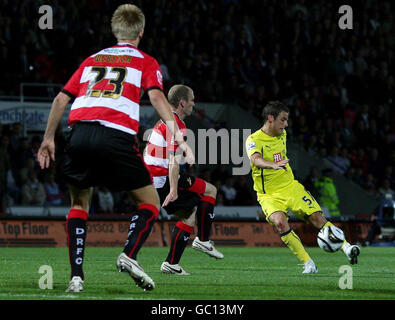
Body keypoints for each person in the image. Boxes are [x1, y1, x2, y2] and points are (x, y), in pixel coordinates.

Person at [37, 4, 194, 293]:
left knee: (79, 204)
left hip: (79, 134)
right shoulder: (145, 61)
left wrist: (48, 138)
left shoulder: (91, 59)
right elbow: (158, 97)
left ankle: (76, 277)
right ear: (141, 32)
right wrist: (179, 136)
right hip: (116, 135)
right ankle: (129, 255)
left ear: (114, 31)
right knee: (149, 202)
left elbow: (61, 99)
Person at [245, 101, 360, 273]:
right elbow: (255, 159)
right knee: (279, 222)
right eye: (283, 120)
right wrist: (271, 165)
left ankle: (347, 248)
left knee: (316, 217)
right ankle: (308, 263)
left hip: (290, 187)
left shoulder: (281, 135)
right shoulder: (253, 139)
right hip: (268, 195)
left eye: (287, 120)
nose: (286, 124)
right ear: (270, 118)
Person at [144, 84, 223, 275]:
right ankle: (203, 241)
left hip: (153, 177)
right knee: (210, 191)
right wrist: (173, 190)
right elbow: (173, 161)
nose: (194, 104)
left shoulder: (166, 118)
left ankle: (172, 263)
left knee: (189, 215)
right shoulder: (177, 124)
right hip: (162, 178)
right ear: (182, 102)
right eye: (192, 100)